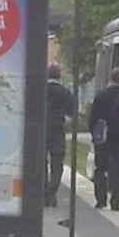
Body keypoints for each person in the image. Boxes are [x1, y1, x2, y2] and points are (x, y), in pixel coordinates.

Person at [90, 65, 119, 211]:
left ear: (110, 78)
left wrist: (95, 135)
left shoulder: (100, 96)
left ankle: (101, 199)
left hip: (102, 140)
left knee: (100, 169)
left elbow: (92, 119)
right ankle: (115, 201)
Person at [43, 66, 77, 205]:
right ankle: (51, 193)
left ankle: (43, 191)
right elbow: (72, 113)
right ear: (59, 76)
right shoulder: (65, 92)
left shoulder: (39, 90)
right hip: (58, 130)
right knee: (57, 163)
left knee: (41, 163)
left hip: (41, 130)